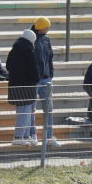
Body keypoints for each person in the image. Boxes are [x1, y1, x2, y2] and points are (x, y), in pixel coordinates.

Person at [7, 29, 41, 145]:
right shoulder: (30, 51)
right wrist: (37, 78)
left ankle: (25, 136)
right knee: (26, 112)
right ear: (32, 40)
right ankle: (18, 137)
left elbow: (7, 65)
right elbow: (34, 71)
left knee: (23, 111)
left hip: (15, 85)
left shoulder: (14, 49)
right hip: (27, 87)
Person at [30, 16, 58, 146]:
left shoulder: (47, 39)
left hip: (46, 78)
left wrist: (50, 74)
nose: (48, 29)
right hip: (34, 80)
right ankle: (32, 134)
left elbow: (50, 58)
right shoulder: (31, 39)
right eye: (47, 27)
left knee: (48, 108)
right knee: (31, 108)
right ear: (41, 27)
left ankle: (49, 135)